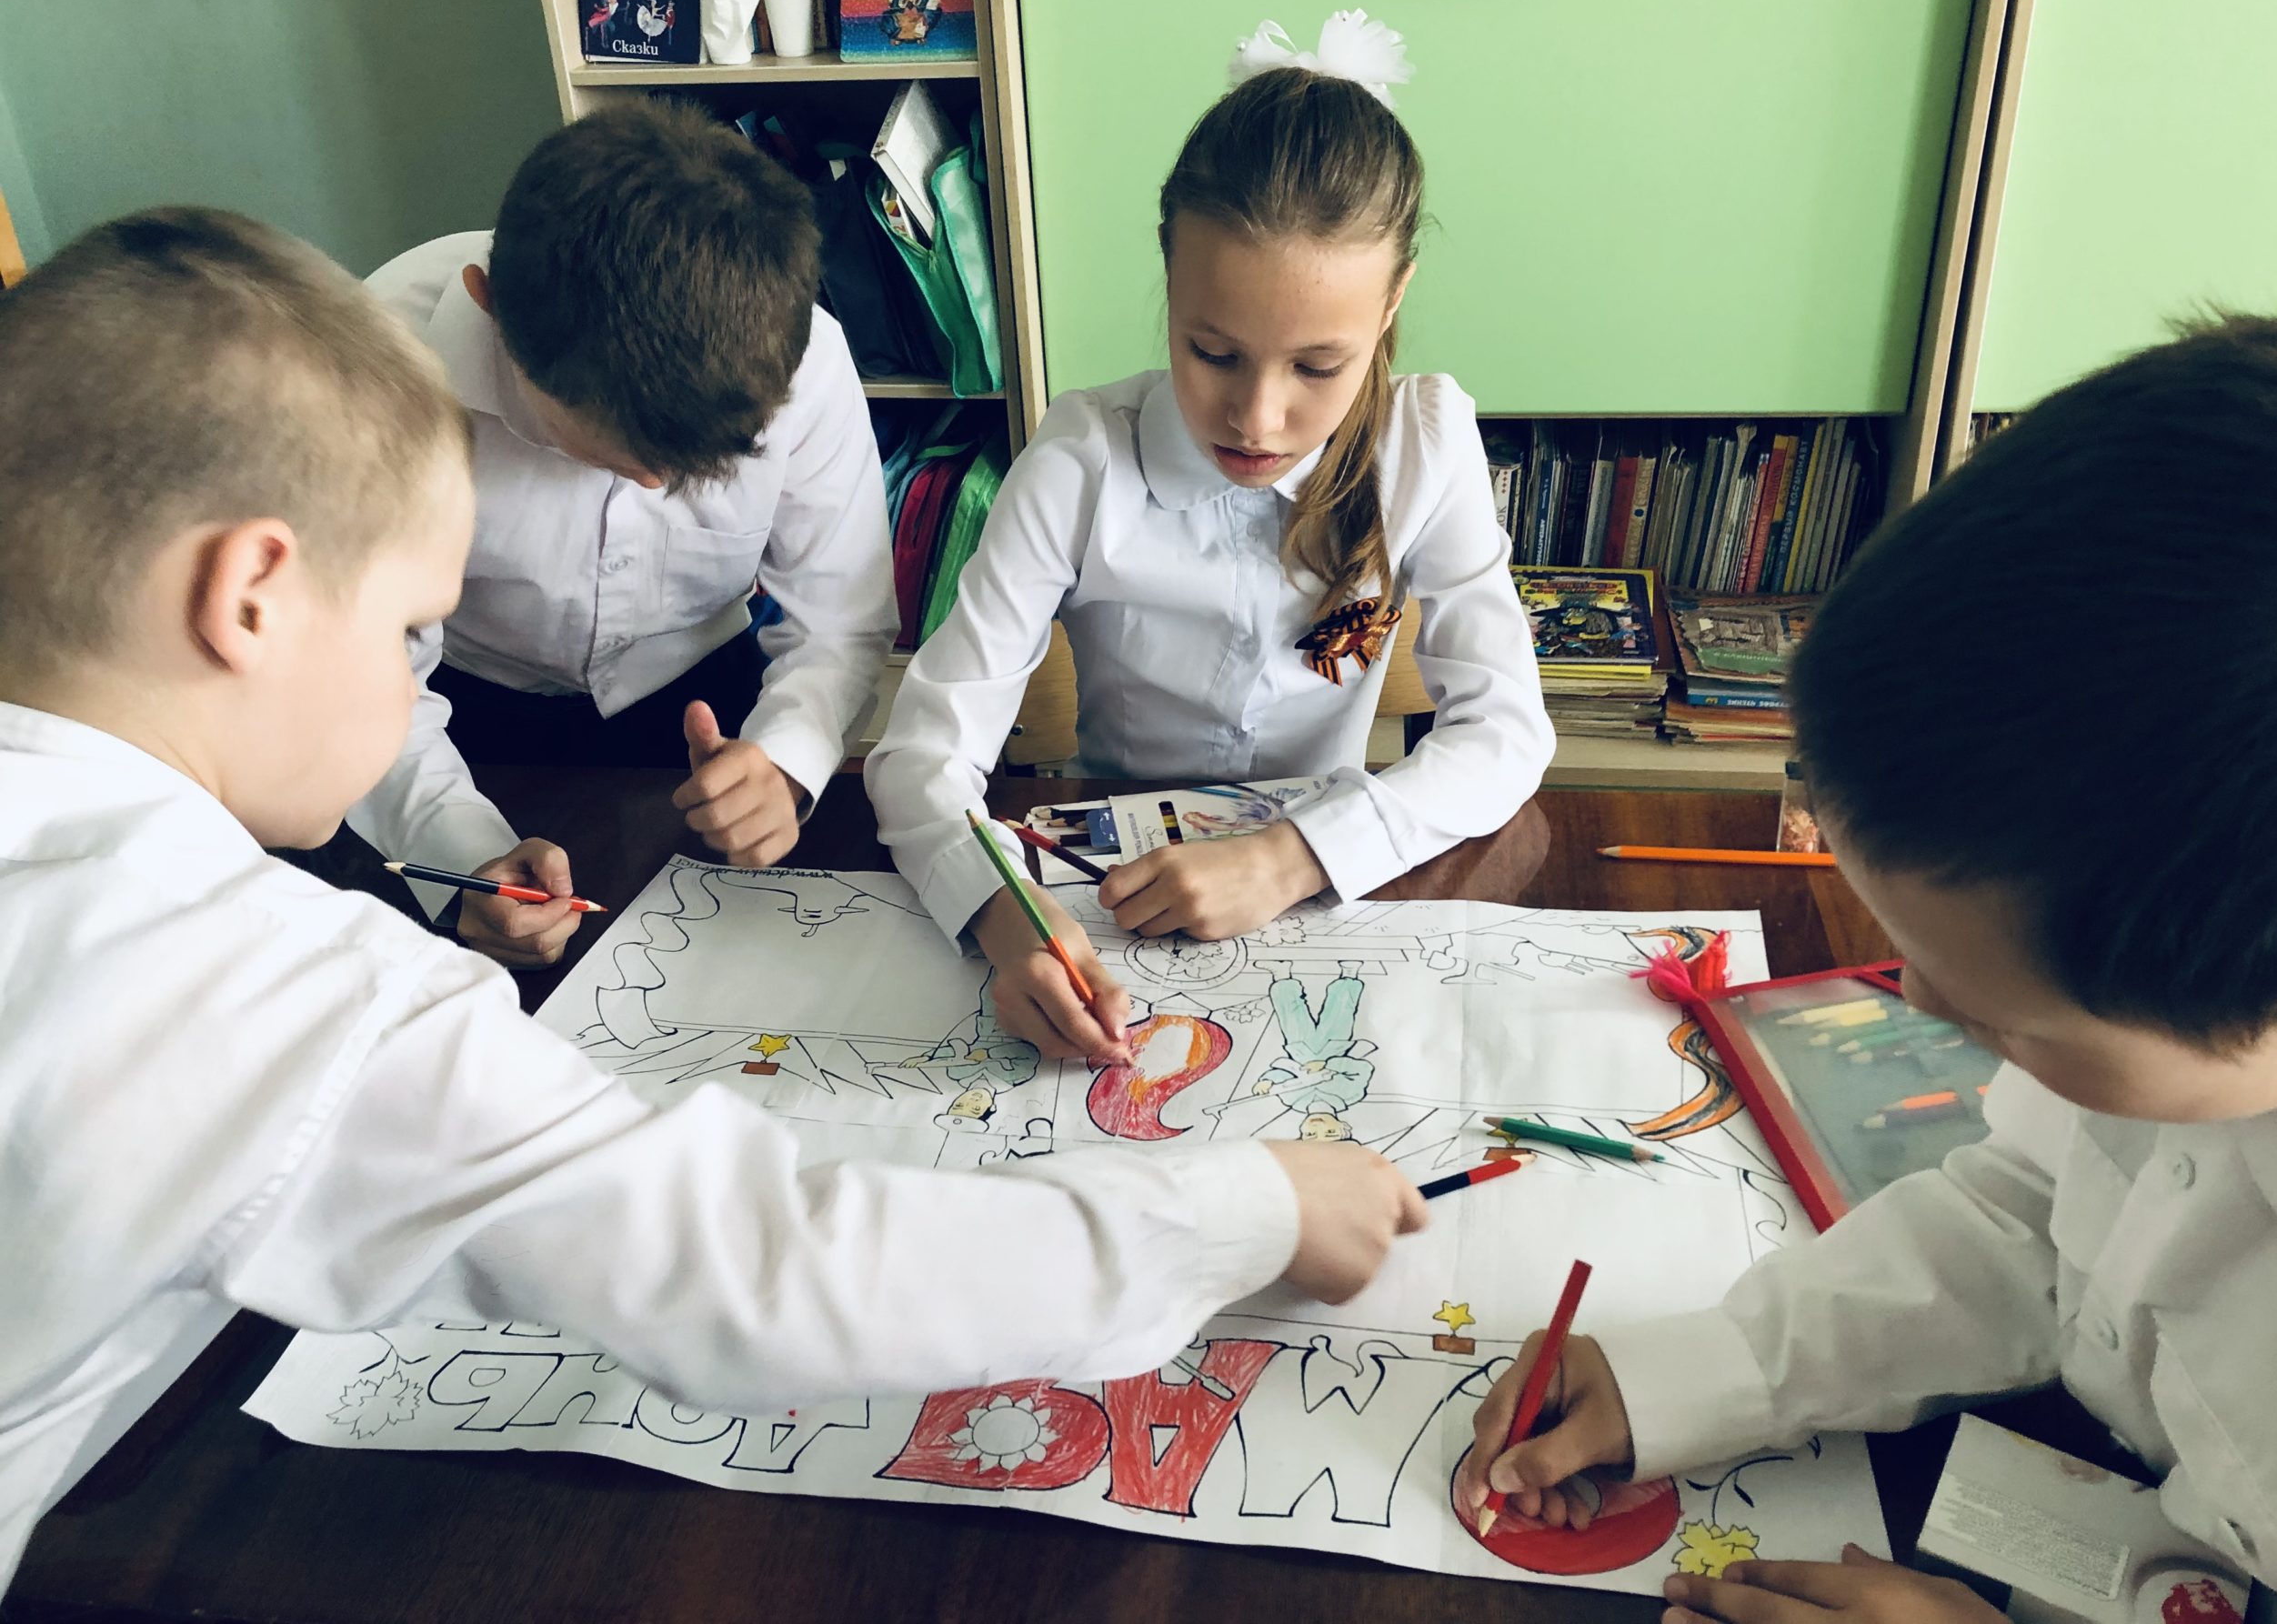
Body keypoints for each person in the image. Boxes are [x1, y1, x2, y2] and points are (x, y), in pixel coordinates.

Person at [0, 208, 1429, 1592]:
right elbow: (769, 1273)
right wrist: (1247, 1208)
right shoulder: (264, 994)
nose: (408, 682)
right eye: (406, 627)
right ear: (251, 595)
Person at [1456, 317, 2277, 1621]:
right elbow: (2026, 1216)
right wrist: (1703, 1373)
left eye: (2017, 1020)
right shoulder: (2199, 1005)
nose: (1913, 1000)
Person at [866, 13, 1553, 1065]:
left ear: (1393, 302)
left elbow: (1505, 734)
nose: (1257, 419)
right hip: (1112, 899)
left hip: (1326, 892)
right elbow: (923, 753)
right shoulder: (1082, 460)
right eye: (1212, 352)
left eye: (1317, 367)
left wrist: (1291, 858)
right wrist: (1002, 916)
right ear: (1168, 272)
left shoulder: (1424, 443)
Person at [355, 99, 898, 970]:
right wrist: (457, 857)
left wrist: (788, 759)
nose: (652, 487)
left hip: (705, 704)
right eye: (609, 453)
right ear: (489, 311)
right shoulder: (371, 372)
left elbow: (840, 618)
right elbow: (356, 668)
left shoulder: (799, 354)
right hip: (456, 714)